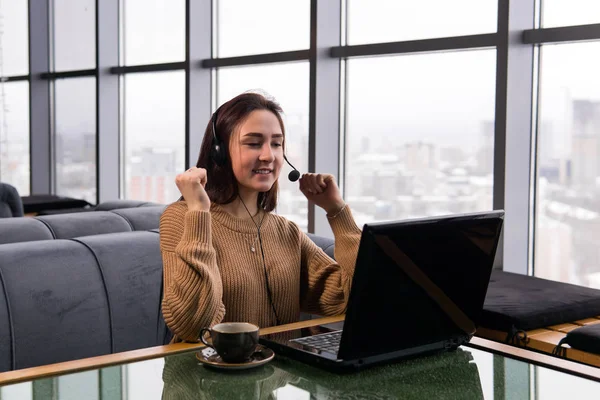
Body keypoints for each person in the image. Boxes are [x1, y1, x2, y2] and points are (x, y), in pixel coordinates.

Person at [159, 92, 361, 343]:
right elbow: (193, 326)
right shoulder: (183, 218)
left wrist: (337, 211)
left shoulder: (286, 232)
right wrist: (199, 211)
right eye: (254, 143)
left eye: (276, 144)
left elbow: (350, 299)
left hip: (278, 379)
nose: (269, 155)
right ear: (220, 152)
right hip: (206, 378)